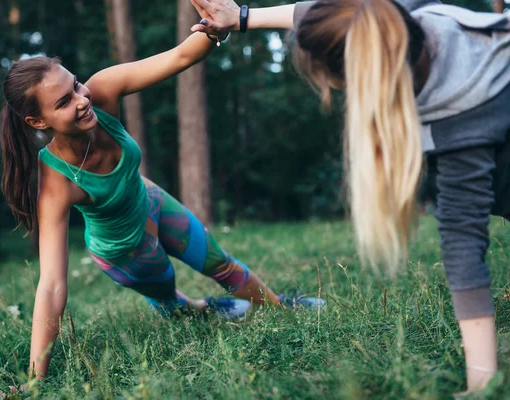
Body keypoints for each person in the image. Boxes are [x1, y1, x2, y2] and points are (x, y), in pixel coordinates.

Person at [189, 0, 510, 392]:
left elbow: (464, 252)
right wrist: (240, 19)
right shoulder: (398, 15)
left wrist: (482, 384)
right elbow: (328, 14)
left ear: (355, 79)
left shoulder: (463, 125)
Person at [0, 28, 324, 381]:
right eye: (63, 102)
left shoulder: (102, 91)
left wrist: (217, 26)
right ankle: (204, 308)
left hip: (148, 198)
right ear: (38, 121)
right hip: (124, 250)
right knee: (173, 300)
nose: (81, 99)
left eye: (75, 85)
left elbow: (181, 56)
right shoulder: (56, 184)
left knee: (219, 261)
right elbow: (51, 285)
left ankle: (278, 307)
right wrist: (36, 378)